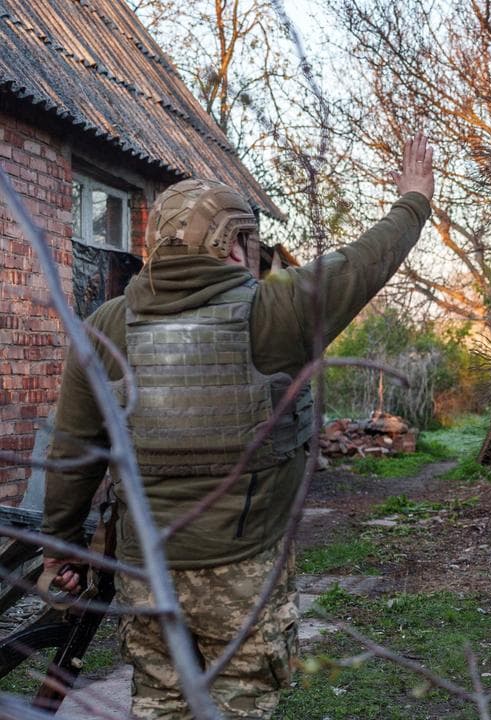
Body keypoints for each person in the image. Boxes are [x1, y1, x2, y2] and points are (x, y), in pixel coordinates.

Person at [41, 133, 435, 718]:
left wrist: (61, 552)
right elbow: (361, 263)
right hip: (245, 570)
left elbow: (74, 452)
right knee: (242, 705)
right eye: (248, 242)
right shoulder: (275, 312)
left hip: (144, 571)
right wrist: (413, 202)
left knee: (161, 705)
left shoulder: (104, 327)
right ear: (231, 245)